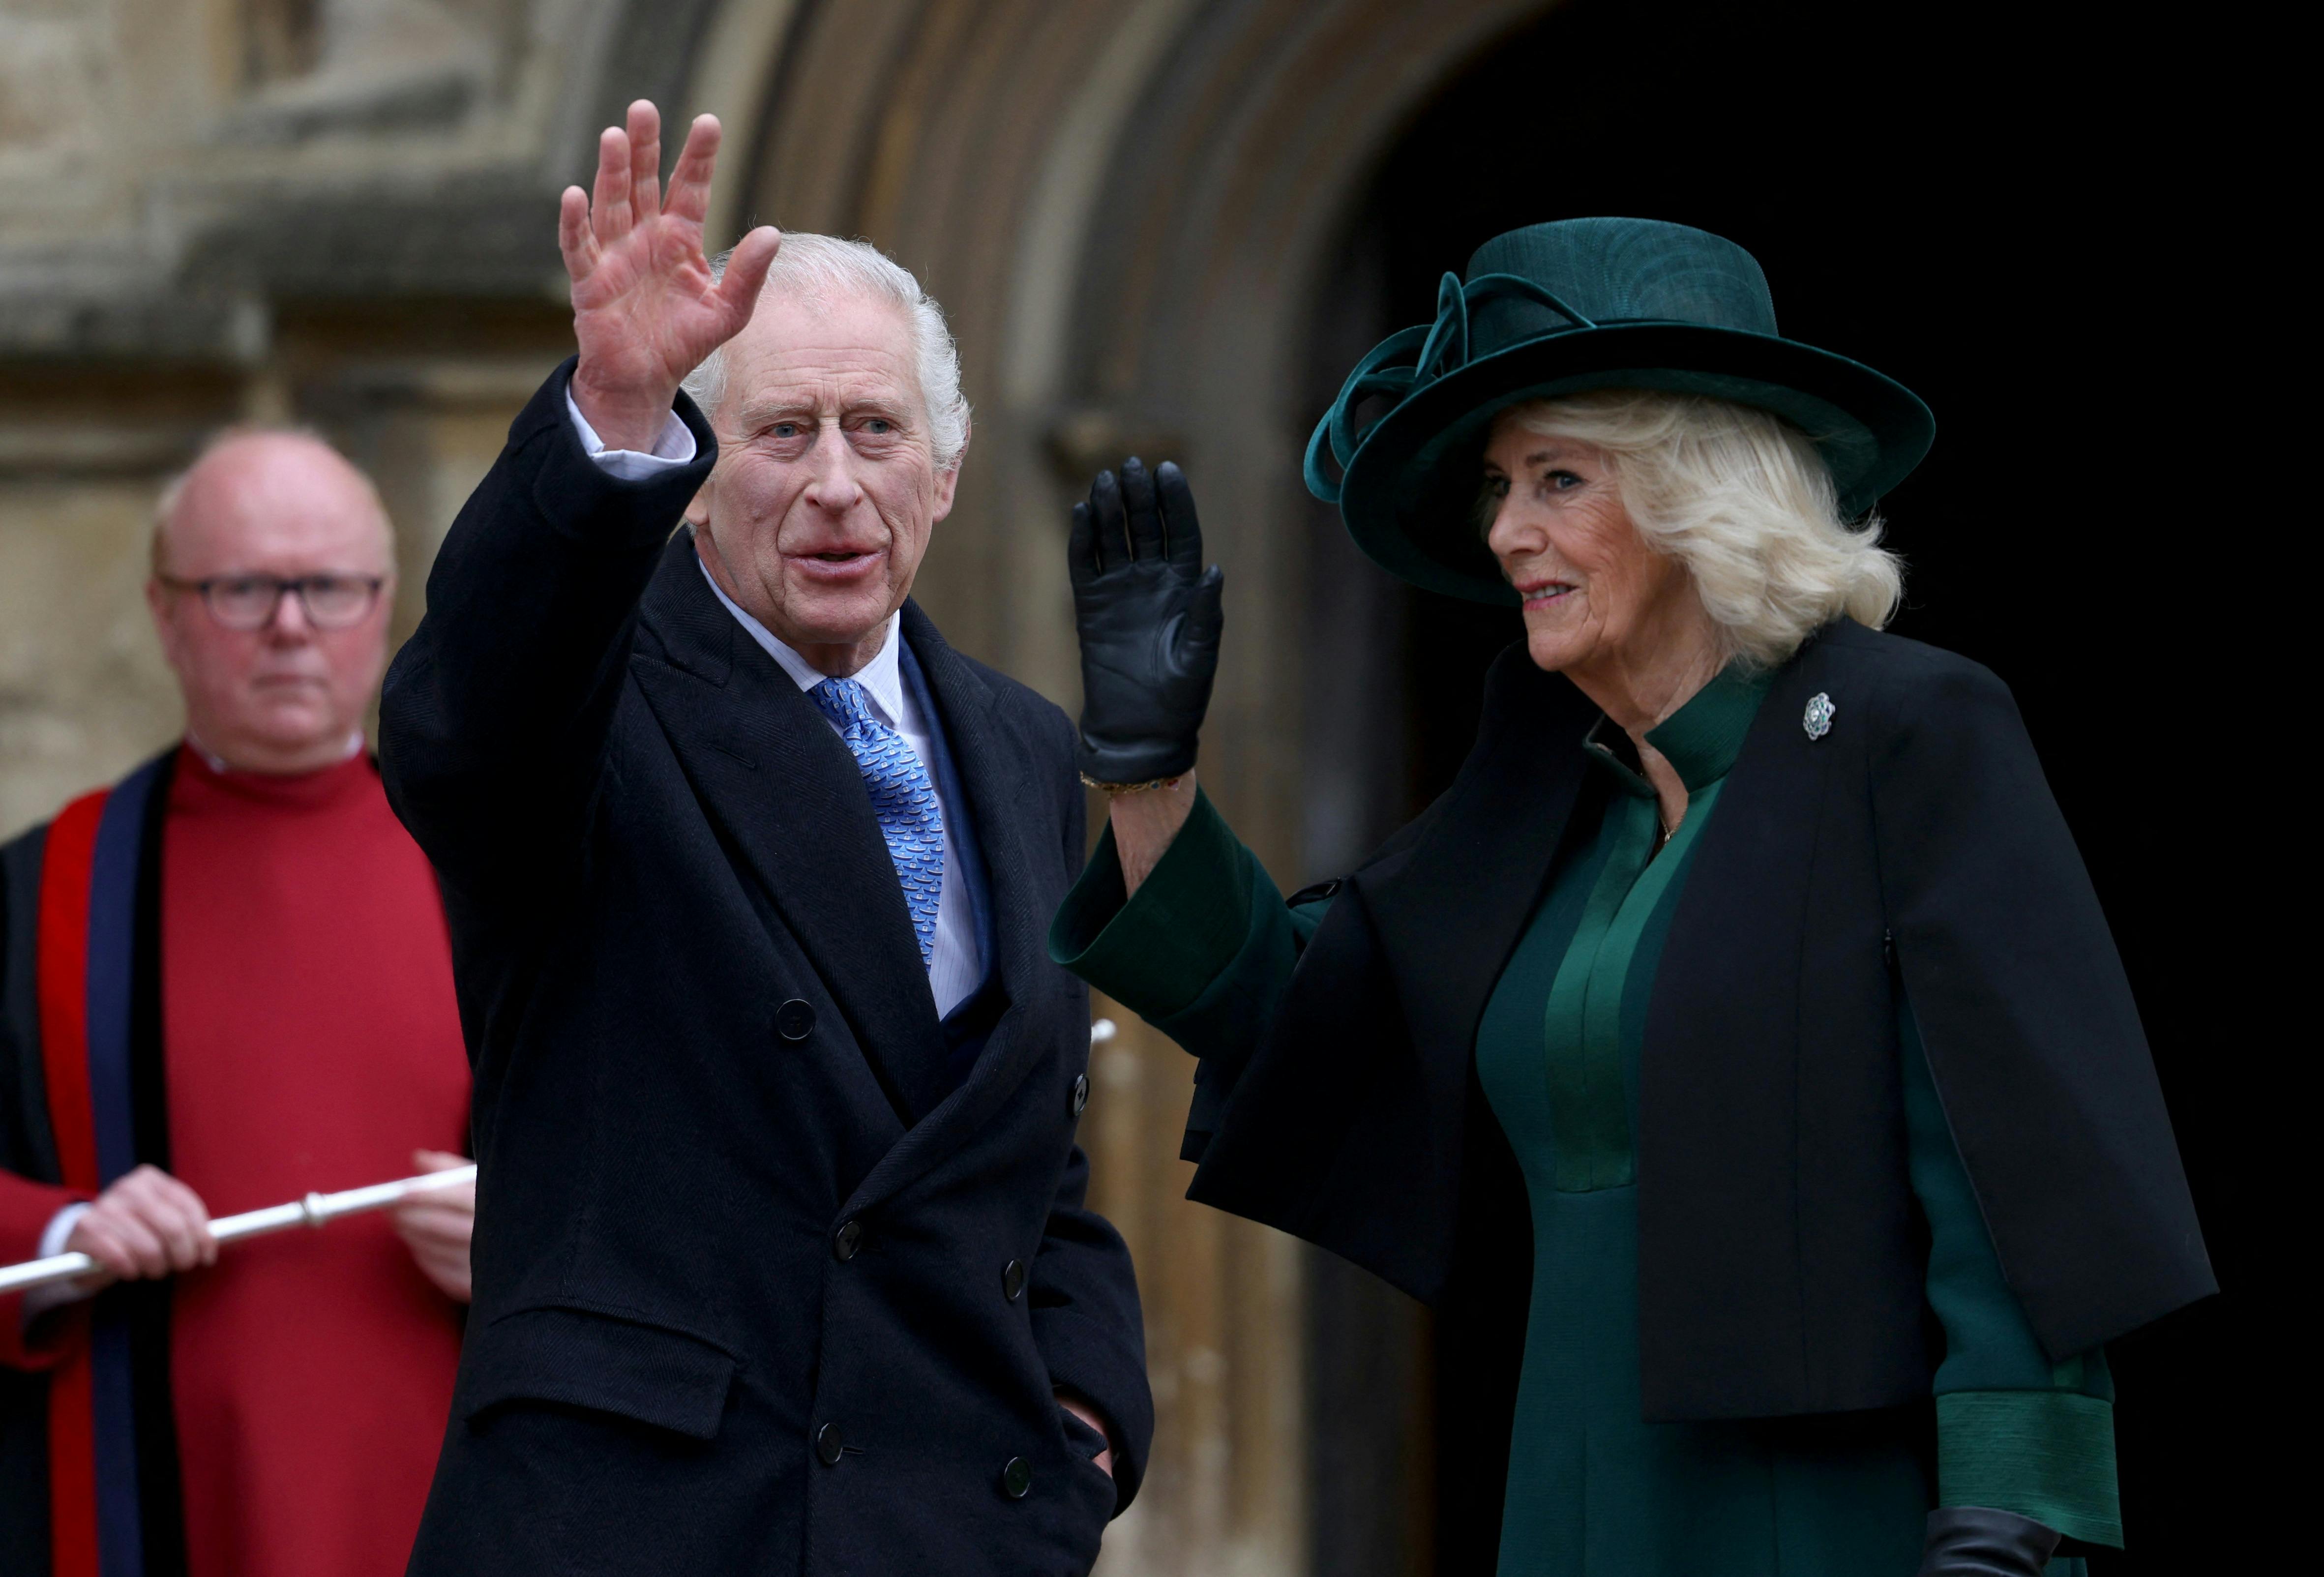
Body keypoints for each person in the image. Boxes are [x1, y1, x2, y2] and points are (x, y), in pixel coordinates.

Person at [1050, 217, 2214, 1576]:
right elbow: (1287, 1011)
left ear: (1693, 490)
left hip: (1835, 1516)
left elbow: (2010, 1153)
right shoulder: (1546, 779)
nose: (1505, 534)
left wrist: (2005, 1516)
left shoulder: (1905, 729)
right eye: (1497, 486)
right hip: (1571, 1495)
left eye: (1556, 479)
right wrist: (1145, 767)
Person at [378, 102, 1150, 1576]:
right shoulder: (595, 696)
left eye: (875, 430)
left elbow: (1029, 1160)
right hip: (652, 1517)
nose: (835, 486)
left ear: (949, 466)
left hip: (946, 1520)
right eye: (780, 432)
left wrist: (1087, 1412)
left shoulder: (1026, 746)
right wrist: (607, 412)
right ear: (697, 465)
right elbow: (459, 727)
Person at [0, 430, 476, 1577]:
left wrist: (539, 1235)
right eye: (243, 588)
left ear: (385, 600)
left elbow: (691, 1185)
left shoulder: (505, 873)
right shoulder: (40, 891)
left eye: (329, 587)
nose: (291, 625)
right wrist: (59, 1235)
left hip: (456, 1495)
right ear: (166, 611)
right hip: (143, 1502)